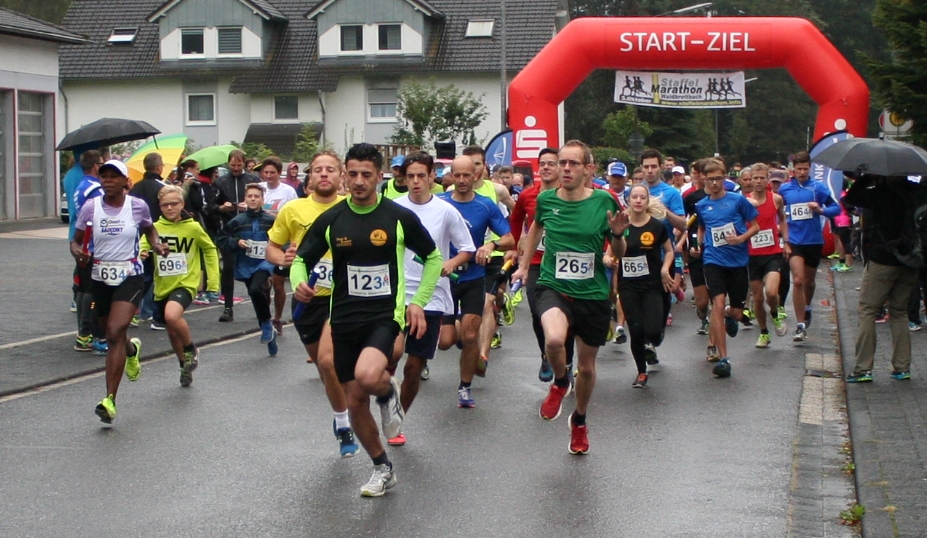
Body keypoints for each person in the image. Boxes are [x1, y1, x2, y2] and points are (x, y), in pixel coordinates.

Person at [292, 143, 443, 497]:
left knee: (368, 376)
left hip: (384, 316)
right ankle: (381, 468)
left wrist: (418, 302)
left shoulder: (397, 217)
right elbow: (302, 258)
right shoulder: (332, 219)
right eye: (353, 174)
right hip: (343, 319)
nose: (359, 181)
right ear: (345, 176)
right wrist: (299, 281)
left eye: (366, 174)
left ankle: (388, 391)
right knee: (356, 401)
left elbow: (433, 258)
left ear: (380, 176)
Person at [511, 140, 621, 455]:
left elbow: (620, 250)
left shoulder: (604, 200)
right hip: (553, 285)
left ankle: (580, 420)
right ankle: (560, 381)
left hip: (593, 293)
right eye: (562, 163)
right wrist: (523, 266)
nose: (566, 169)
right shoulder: (546, 199)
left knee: (586, 368)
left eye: (573, 163)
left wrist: (616, 236)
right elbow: (535, 228)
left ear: (588, 169)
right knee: (555, 340)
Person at [265, 150, 359, 458]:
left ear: (341, 175)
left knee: (329, 362)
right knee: (323, 366)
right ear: (310, 176)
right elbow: (272, 249)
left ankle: (344, 425)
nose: (324, 174)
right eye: (318, 169)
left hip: (343, 297)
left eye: (330, 169)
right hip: (307, 297)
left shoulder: (352, 206)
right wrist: (284, 259)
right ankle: (340, 409)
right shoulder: (294, 209)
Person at [71, 159, 169, 423]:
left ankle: (109, 400)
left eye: (114, 176)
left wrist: (157, 245)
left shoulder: (137, 206)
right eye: (104, 176)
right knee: (111, 333)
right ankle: (131, 350)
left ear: (126, 181)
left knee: (114, 331)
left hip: (130, 275)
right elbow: (75, 241)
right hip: (100, 276)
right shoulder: (91, 207)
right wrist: (78, 253)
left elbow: (150, 230)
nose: (108, 180)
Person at [389, 151, 475, 444]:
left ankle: (397, 420)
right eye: (410, 176)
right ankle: (386, 397)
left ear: (432, 177)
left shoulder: (445, 211)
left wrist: (450, 263)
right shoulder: (394, 209)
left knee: (414, 366)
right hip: (397, 293)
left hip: (432, 295)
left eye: (421, 176)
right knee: (392, 354)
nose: (415, 182)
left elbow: (467, 248)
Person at [439, 156, 514, 408]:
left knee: (471, 335)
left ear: (476, 176)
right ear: (451, 176)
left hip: (473, 276)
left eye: (466, 175)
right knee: (445, 342)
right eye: (457, 175)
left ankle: (464, 387)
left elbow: (509, 238)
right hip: (445, 278)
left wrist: (491, 245)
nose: (461, 180)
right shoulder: (440, 203)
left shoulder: (485, 205)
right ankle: (458, 336)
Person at [844, 174, 927, 382]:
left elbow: (851, 198)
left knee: (868, 310)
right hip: (911, 260)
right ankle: (902, 367)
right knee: (899, 312)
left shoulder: (881, 194)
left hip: (882, 259)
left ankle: (863, 368)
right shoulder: (919, 192)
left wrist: (867, 178)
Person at [140, 185, 220, 387]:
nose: (169, 208)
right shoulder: (154, 228)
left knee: (171, 316)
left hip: (186, 282)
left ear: (182, 204)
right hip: (163, 285)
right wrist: (143, 253)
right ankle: (184, 364)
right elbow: (143, 245)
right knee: (171, 330)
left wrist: (212, 282)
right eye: (164, 205)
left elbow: (210, 250)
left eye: (173, 204)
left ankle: (191, 348)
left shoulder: (193, 228)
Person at [509, 148, 573, 382]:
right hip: (536, 262)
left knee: (565, 315)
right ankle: (546, 355)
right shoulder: (528, 195)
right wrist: (513, 246)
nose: (546, 167)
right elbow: (516, 221)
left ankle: (566, 360)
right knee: (538, 312)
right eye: (542, 163)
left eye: (551, 163)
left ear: (560, 167)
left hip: (563, 263)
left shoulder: (569, 194)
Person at [695, 160, 759, 378]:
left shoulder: (738, 201)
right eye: (710, 179)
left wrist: (740, 238)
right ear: (704, 179)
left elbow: (756, 226)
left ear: (724, 178)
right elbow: (702, 228)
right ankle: (724, 359)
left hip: (738, 261)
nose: (714, 183)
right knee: (718, 305)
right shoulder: (702, 205)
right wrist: (699, 245)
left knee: (737, 312)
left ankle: (732, 316)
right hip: (713, 260)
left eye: (718, 179)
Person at [613, 184, 675, 388]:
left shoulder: (656, 226)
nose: (638, 201)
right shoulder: (622, 224)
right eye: (634, 197)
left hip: (652, 284)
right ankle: (641, 372)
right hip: (628, 285)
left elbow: (669, 251)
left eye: (642, 197)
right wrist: (607, 259)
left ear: (648, 201)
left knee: (653, 330)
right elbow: (611, 252)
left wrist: (665, 269)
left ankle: (655, 338)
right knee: (636, 330)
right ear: (628, 200)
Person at [779, 151, 841, 341]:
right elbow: (777, 211)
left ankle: (807, 306)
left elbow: (836, 208)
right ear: (793, 169)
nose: (802, 172)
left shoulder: (818, 188)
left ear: (810, 168)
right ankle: (800, 325)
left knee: (809, 281)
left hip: (813, 240)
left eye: (805, 169)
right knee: (798, 280)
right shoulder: (784, 189)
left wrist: (820, 209)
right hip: (794, 240)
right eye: (799, 169)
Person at [216, 183, 280, 356]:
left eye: (256, 196)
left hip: (264, 262)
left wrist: (278, 252)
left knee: (255, 289)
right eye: (250, 196)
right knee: (255, 295)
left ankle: (266, 326)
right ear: (245, 199)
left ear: (262, 200)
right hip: (245, 264)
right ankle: (268, 330)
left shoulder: (270, 220)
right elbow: (221, 238)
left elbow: (282, 237)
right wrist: (236, 242)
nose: (253, 199)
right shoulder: (238, 221)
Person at [214, 150, 260, 321]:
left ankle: (259, 305)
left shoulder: (252, 180)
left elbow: (261, 201)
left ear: (244, 164)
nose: (235, 168)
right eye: (233, 165)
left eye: (239, 165)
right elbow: (211, 206)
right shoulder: (220, 182)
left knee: (252, 269)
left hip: (250, 229)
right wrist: (222, 207)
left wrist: (250, 207)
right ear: (228, 164)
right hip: (229, 230)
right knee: (228, 269)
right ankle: (228, 307)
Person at [746, 163, 789, 348]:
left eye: (762, 178)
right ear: (750, 180)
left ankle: (775, 313)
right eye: (755, 178)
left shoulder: (776, 199)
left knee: (771, 292)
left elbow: (783, 220)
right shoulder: (744, 201)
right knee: (757, 298)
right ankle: (764, 333)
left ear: (767, 180)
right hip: (752, 255)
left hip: (772, 253)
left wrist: (786, 242)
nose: (758, 181)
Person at [257, 156, 298, 334]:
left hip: (282, 241)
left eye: (272, 172)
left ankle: (277, 318)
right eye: (266, 172)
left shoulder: (288, 191)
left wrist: (275, 216)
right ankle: (265, 317)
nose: (268, 175)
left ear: (279, 173)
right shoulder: (259, 189)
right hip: (261, 238)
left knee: (278, 283)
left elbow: (294, 215)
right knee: (262, 284)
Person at [71, 150, 105, 353]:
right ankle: (87, 334)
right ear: (95, 166)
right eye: (102, 163)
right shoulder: (95, 189)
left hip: (83, 245)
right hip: (92, 247)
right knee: (92, 292)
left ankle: (84, 334)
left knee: (83, 290)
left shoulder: (81, 185)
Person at [129, 152, 168, 330]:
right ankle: (152, 313)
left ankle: (134, 310)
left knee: (139, 276)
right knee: (156, 277)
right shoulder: (162, 188)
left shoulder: (135, 188)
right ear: (159, 167)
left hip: (135, 237)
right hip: (157, 237)